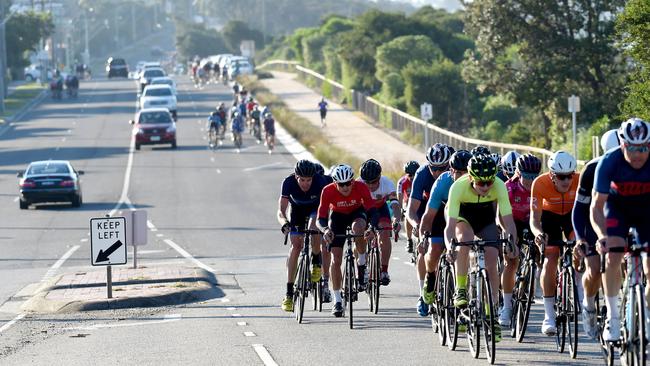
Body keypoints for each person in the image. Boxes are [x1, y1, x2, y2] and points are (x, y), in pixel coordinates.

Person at [445, 154, 518, 343]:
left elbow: (508, 222)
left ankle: (491, 312)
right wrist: (449, 247)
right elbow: (450, 227)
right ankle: (461, 288)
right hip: (463, 217)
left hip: (485, 218)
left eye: (489, 182)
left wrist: (512, 243)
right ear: (470, 178)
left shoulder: (499, 186)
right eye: (481, 183)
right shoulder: (458, 187)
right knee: (465, 239)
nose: (486, 187)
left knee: (492, 258)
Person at [591, 118, 650, 341]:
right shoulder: (609, 162)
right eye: (632, 149)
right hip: (618, 210)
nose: (638, 155)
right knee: (613, 256)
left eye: (644, 148)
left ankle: (646, 314)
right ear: (622, 145)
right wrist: (602, 236)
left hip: (646, 211)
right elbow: (596, 207)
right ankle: (613, 318)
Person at [572, 129, 620, 339]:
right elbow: (580, 209)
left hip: (621, 216)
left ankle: (624, 304)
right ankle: (589, 304)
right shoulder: (592, 169)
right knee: (593, 268)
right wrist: (580, 238)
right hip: (596, 219)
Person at [317, 164, 377, 317]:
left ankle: (362, 263)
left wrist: (372, 227)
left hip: (357, 212)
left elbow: (372, 210)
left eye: (348, 183)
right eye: (341, 184)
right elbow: (321, 218)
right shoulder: (327, 190)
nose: (345, 187)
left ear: (353, 181)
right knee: (336, 260)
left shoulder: (361, 187)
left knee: (358, 229)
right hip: (337, 217)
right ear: (335, 183)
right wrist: (325, 230)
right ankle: (337, 300)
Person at [530, 150, 579, 336]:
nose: (566, 181)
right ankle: (549, 316)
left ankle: (579, 291)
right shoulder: (539, 183)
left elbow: (587, 211)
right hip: (549, 218)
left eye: (569, 176)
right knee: (551, 257)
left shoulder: (580, 180)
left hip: (572, 217)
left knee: (580, 248)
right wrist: (538, 233)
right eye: (561, 177)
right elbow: (534, 219)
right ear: (552, 175)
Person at [407, 143, 454, 316]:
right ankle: (423, 292)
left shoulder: (457, 172)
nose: (437, 173)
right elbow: (411, 210)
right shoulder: (422, 174)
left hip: (453, 212)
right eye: (433, 168)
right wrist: (417, 226)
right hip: (428, 212)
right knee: (427, 249)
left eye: (442, 168)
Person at [420, 150, 471, 306]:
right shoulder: (443, 183)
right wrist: (424, 238)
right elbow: (428, 215)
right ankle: (431, 276)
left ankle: (464, 302)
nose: (463, 177)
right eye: (459, 173)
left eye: (466, 173)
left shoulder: (474, 182)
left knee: (468, 253)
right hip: (441, 216)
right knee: (435, 248)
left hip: (465, 217)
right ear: (451, 171)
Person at [278, 160, 329, 311]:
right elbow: (281, 210)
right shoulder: (288, 182)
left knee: (314, 227)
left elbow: (327, 206)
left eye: (309, 180)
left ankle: (315, 261)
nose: (306, 183)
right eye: (302, 180)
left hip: (315, 210)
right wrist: (284, 223)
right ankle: (288, 293)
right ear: (296, 177)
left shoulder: (320, 181)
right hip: (297, 211)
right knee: (296, 246)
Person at [499, 153, 541, 326]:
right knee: (511, 261)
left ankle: (534, 280)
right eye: (526, 176)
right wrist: (509, 237)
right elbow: (500, 216)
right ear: (518, 172)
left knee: (541, 253)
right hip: (512, 222)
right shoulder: (509, 187)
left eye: (534, 177)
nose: (530, 181)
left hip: (532, 222)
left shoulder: (541, 186)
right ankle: (507, 306)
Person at [358, 159, 402, 285]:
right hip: (364, 210)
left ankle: (384, 270)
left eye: (374, 182)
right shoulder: (357, 183)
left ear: (380, 177)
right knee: (359, 235)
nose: (371, 186)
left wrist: (397, 220)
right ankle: (360, 268)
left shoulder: (387, 183)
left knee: (384, 233)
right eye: (368, 183)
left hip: (380, 209)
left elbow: (395, 205)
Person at [397, 160, 420, 253]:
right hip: (408, 201)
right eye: (409, 175)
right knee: (407, 214)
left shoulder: (420, 179)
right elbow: (399, 197)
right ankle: (409, 240)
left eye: (414, 174)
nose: (412, 177)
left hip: (419, 201)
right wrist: (400, 210)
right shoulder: (402, 182)